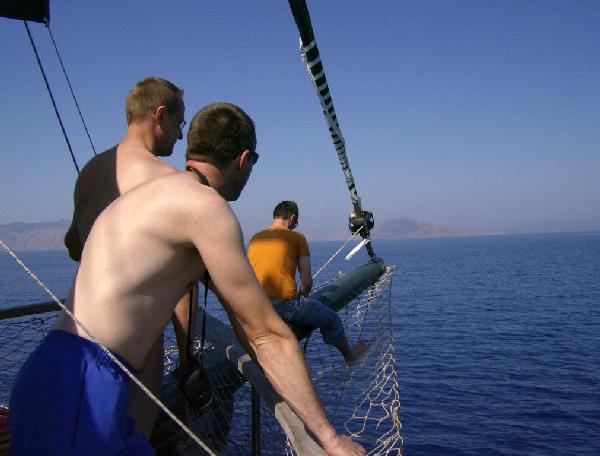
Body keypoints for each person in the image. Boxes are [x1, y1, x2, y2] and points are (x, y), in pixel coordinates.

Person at [10, 103, 365, 455]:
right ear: (244, 159)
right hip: (86, 388)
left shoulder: (147, 195)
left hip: (55, 371)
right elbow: (265, 334)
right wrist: (331, 439)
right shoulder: (206, 208)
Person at [63, 76, 195, 438]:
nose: (180, 135)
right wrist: (187, 357)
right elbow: (184, 285)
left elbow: (74, 245)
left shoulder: (90, 172)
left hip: (77, 335)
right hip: (135, 347)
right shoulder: (167, 182)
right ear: (160, 115)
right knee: (131, 437)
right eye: (179, 123)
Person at [247, 201, 367, 363]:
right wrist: (302, 296)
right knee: (332, 319)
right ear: (292, 218)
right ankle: (350, 357)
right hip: (282, 308)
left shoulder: (255, 238)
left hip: (256, 309)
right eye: (295, 222)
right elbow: (306, 282)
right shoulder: (297, 238)